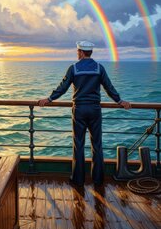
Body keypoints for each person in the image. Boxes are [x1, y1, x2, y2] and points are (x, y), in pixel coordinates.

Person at [38, 41, 131, 187]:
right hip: (94, 110)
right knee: (97, 145)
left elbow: (62, 88)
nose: (77, 54)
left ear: (81, 52)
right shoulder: (99, 68)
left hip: (80, 110)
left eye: (77, 51)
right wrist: (120, 101)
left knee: (78, 145)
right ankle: (98, 179)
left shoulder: (73, 68)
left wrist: (49, 99)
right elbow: (109, 87)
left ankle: (78, 180)